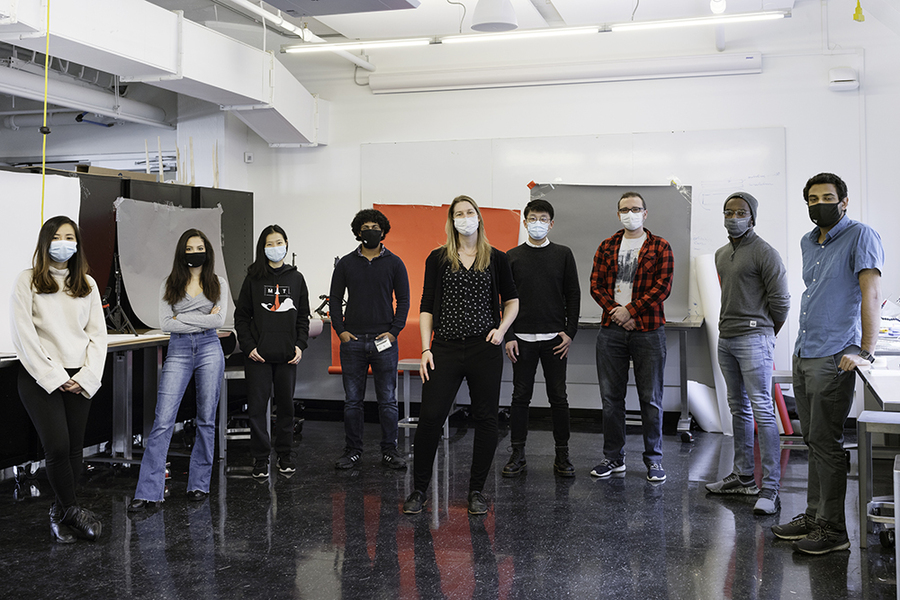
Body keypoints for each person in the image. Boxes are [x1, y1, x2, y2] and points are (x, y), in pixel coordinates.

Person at [772, 173, 883, 554]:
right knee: (812, 440)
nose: (820, 203)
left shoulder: (861, 235)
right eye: (813, 198)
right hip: (806, 350)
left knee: (827, 442)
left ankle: (834, 531)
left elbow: (870, 294)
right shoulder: (808, 240)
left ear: (844, 200)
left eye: (828, 197)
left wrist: (865, 350)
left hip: (834, 354)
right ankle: (815, 515)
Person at [402, 195, 519, 516]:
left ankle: (477, 491)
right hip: (446, 348)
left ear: (479, 218)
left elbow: (512, 300)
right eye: (458, 214)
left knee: (486, 420)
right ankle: (418, 490)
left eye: (469, 213)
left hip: (485, 348)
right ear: (451, 221)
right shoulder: (437, 258)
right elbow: (426, 305)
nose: (464, 218)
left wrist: (502, 329)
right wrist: (426, 347)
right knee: (430, 418)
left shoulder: (496, 258)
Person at [10, 216, 108, 543]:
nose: (63, 242)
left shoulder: (88, 284)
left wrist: (86, 375)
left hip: (80, 374)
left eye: (70, 237)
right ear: (45, 242)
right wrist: (53, 375)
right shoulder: (27, 282)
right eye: (57, 236)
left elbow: (98, 336)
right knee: (58, 446)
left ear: (77, 245)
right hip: (40, 375)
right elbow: (23, 336)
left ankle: (60, 511)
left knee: (75, 450)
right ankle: (72, 510)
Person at [128, 229, 227, 512]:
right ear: (181, 253)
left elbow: (219, 319)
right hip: (179, 349)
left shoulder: (217, 283)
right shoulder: (169, 283)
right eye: (189, 247)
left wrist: (182, 317)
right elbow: (166, 324)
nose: (194, 251)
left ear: (207, 251)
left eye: (199, 247)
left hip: (210, 348)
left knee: (206, 419)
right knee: (163, 420)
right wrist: (201, 320)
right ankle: (148, 491)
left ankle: (199, 484)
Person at [704, 192, 790, 515]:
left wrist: (765, 333)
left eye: (740, 212)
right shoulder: (721, 254)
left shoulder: (765, 253)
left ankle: (770, 487)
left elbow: (780, 303)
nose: (734, 217)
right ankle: (742, 477)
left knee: (763, 410)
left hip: (755, 338)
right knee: (738, 408)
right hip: (726, 338)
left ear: (752, 217)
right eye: (728, 211)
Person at [589, 192, 673, 483]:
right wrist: (616, 311)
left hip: (648, 330)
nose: (630, 213)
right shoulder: (607, 246)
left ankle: (654, 460)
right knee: (611, 399)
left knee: (651, 398)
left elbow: (662, 287)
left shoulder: (660, 246)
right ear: (618, 215)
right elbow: (596, 285)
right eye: (625, 209)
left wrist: (631, 311)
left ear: (645, 213)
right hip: (611, 330)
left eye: (636, 209)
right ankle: (614, 457)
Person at [502, 198, 580, 478]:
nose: (538, 223)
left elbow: (573, 294)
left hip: (554, 340)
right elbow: (504, 299)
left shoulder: (563, 254)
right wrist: (508, 334)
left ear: (551, 223)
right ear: (525, 222)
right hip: (521, 339)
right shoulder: (510, 256)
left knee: (558, 397)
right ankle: (517, 453)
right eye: (533, 218)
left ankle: (562, 454)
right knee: (520, 397)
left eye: (543, 219)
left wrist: (570, 332)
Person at [330, 209, 410, 470]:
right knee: (353, 401)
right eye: (365, 227)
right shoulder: (345, 263)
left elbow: (405, 300)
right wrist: (340, 331)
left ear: (383, 231)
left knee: (387, 399)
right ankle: (353, 451)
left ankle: (390, 451)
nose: (370, 231)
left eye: (375, 226)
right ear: (357, 232)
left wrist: (394, 331)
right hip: (352, 341)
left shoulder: (395, 263)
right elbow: (334, 300)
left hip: (384, 341)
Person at [234, 225, 310, 480]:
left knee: (286, 407)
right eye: (269, 243)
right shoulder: (253, 278)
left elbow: (303, 317)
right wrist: (249, 347)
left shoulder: (296, 279)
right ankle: (260, 458)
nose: (275, 247)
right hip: (258, 356)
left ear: (286, 244)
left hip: (288, 355)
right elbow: (241, 317)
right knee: (257, 408)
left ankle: (285, 455)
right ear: (262, 247)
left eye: (279, 242)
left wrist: (300, 345)